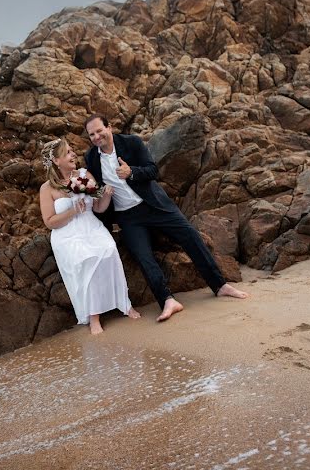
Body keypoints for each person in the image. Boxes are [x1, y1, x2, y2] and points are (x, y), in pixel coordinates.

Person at [83, 114, 248, 322]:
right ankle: (167, 301)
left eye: (99, 131)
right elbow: (92, 187)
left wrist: (131, 172)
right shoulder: (91, 158)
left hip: (154, 205)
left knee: (190, 235)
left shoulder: (131, 143)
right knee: (144, 257)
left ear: (109, 126)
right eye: (92, 134)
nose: (97, 137)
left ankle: (220, 285)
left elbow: (153, 170)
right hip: (127, 217)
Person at [38, 138, 141, 334]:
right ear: (56, 161)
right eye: (68, 152)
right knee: (87, 258)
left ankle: (124, 304)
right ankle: (94, 317)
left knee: (109, 250)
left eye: (71, 151)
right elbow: (49, 221)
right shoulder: (47, 188)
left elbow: (98, 208)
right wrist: (72, 212)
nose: (73, 155)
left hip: (91, 226)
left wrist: (107, 195)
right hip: (67, 234)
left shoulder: (82, 176)